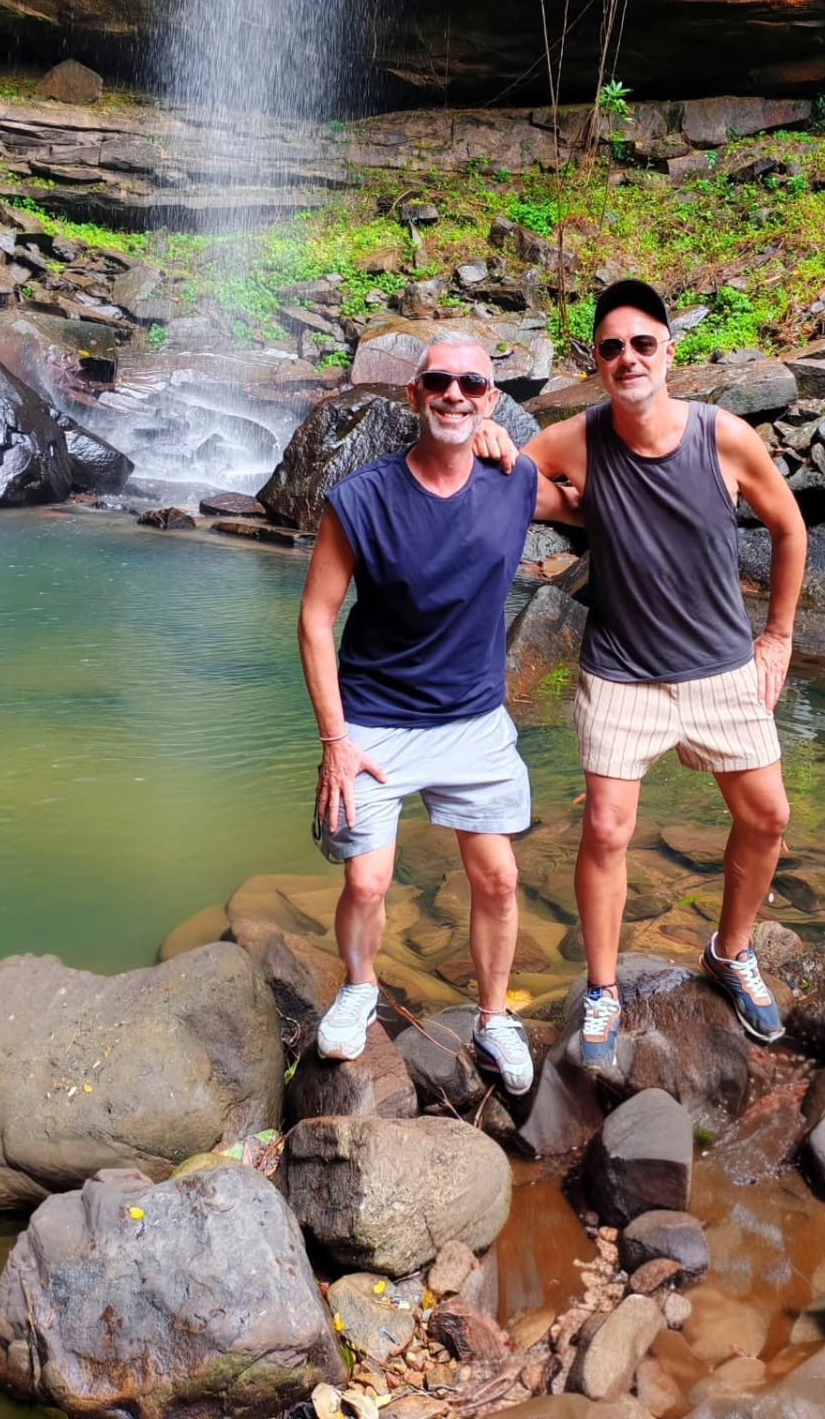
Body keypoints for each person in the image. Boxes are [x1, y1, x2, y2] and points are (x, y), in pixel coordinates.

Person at [475, 278, 808, 1068]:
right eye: (612, 347)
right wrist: (499, 448)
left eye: (642, 343)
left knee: (767, 818)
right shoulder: (577, 438)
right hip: (622, 672)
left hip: (724, 665)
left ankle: (730, 952)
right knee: (607, 828)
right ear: (597, 362)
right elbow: (510, 488)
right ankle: (602, 989)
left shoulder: (723, 437)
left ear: (670, 350)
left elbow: (791, 531)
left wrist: (779, 639)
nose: (628, 358)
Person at [297, 333, 580, 1095]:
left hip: (474, 721)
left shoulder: (513, 480)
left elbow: (597, 490)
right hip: (375, 719)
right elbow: (317, 620)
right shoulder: (360, 500)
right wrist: (334, 743)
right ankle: (360, 986)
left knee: (496, 880)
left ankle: (493, 1018)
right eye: (440, 382)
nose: (455, 395)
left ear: (491, 400)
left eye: (472, 386)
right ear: (415, 395)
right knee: (366, 882)